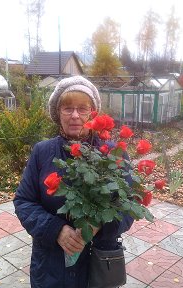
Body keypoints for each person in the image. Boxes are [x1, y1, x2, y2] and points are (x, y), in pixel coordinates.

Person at [13, 75, 134, 288]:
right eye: (67, 108)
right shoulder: (42, 152)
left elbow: (128, 206)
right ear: (58, 114)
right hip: (51, 266)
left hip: (97, 265)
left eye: (83, 109)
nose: (75, 115)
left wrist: (98, 226)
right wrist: (56, 230)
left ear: (93, 113)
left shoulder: (113, 154)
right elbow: (24, 201)